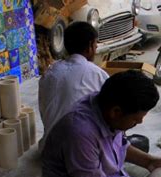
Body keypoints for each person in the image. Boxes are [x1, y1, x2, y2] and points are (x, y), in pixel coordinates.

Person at [38, 21, 109, 152]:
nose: (96, 48)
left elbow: (44, 112)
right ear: (89, 47)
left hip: (48, 149)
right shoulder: (97, 74)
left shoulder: (49, 73)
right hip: (79, 153)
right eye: (95, 44)